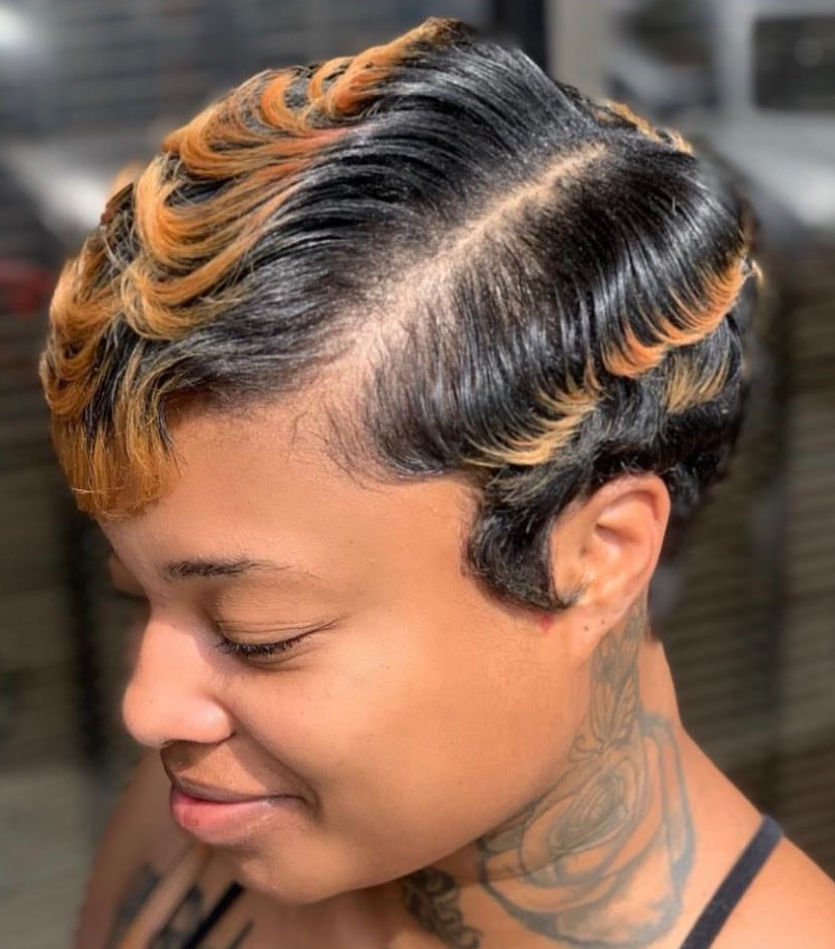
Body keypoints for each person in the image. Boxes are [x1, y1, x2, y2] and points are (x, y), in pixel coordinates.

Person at [39, 17, 835, 949]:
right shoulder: (219, 810)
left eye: (259, 635)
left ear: (598, 554)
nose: (149, 706)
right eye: (138, 597)